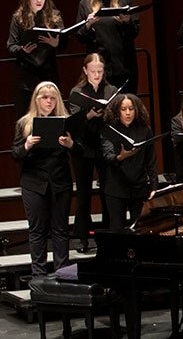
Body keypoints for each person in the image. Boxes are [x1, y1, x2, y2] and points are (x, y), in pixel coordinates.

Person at [12, 81, 74, 276]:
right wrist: (28, 145)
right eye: (44, 98)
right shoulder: (25, 123)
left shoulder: (67, 122)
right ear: (36, 100)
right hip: (34, 183)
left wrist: (71, 144)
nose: (49, 101)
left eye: (52, 98)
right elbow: (15, 154)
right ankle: (38, 275)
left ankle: (63, 275)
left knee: (61, 230)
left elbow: (82, 150)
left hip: (59, 182)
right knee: (37, 231)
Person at [68, 54, 118, 252]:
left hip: (105, 145)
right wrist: (88, 115)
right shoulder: (77, 91)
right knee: (83, 194)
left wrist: (106, 113)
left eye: (100, 71)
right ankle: (82, 238)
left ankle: (107, 236)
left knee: (108, 191)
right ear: (85, 70)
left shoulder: (110, 90)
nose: (97, 74)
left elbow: (116, 117)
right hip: (83, 146)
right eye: (93, 71)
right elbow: (73, 122)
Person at [76, 0, 140, 95]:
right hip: (99, 68)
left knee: (126, 105)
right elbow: (80, 37)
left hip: (124, 65)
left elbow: (135, 32)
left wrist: (127, 21)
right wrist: (88, 25)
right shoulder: (86, 3)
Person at [7, 0, 64, 118]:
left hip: (48, 76)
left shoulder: (54, 17)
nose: (39, 0)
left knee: (52, 121)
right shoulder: (18, 18)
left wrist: (56, 44)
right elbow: (11, 45)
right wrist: (22, 50)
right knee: (26, 121)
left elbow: (64, 44)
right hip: (27, 78)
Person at [100, 94, 157, 230]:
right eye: (123, 109)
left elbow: (150, 160)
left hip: (138, 186)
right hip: (116, 188)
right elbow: (108, 156)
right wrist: (122, 156)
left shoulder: (144, 129)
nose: (128, 113)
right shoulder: (109, 129)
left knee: (138, 229)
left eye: (131, 109)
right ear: (117, 111)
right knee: (117, 229)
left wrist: (154, 185)